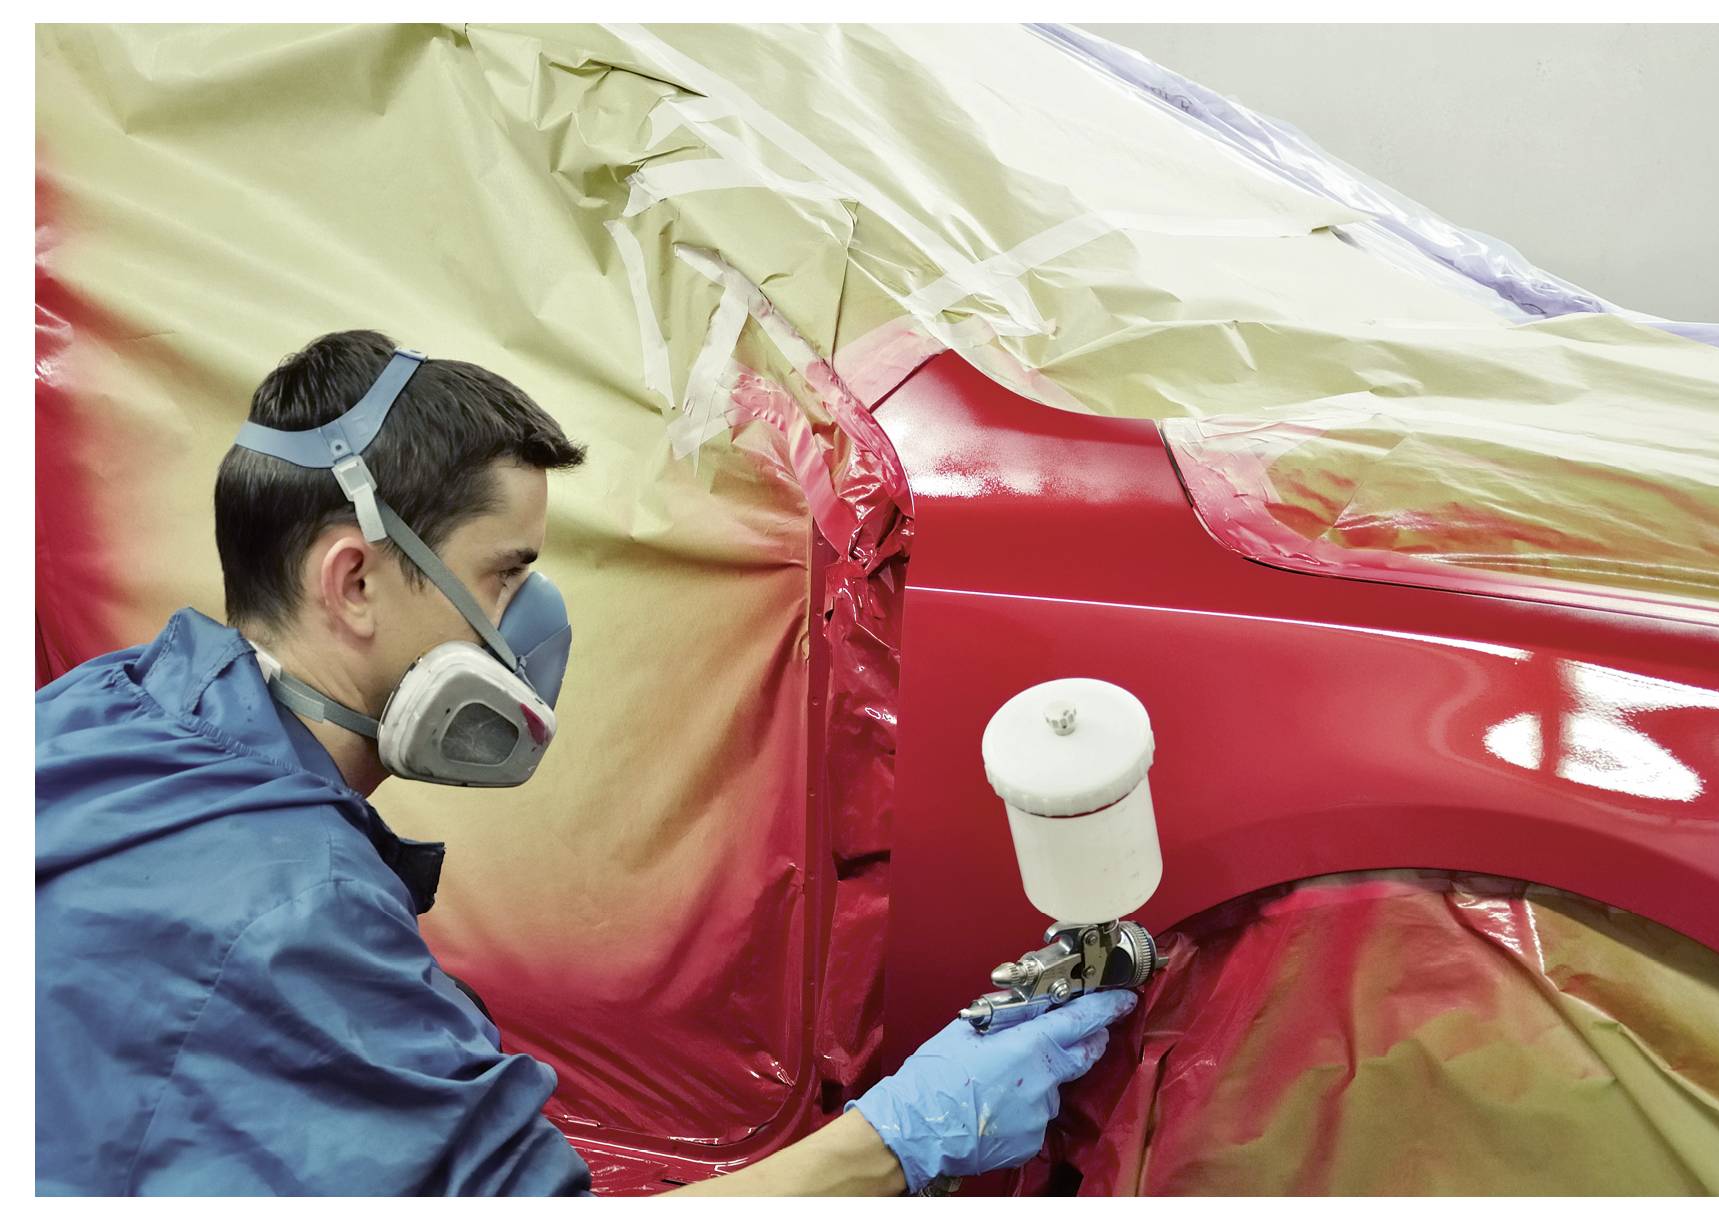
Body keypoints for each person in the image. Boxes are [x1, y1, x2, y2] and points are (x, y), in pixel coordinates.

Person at [35, 330, 1134, 1196]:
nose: (532, 630)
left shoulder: (98, 713)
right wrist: (895, 1139)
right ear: (354, 580)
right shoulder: (295, 912)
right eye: (507, 575)